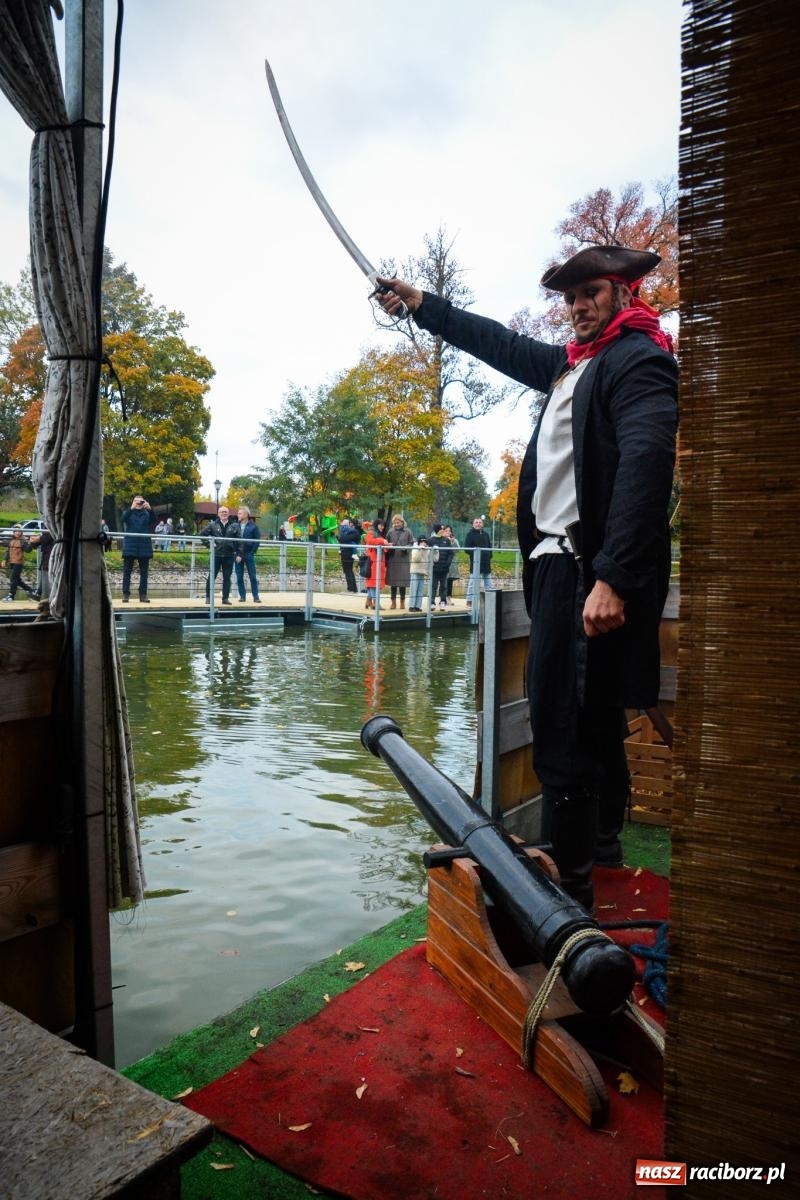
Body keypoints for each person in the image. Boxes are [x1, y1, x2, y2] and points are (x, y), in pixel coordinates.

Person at [375, 245, 678, 909]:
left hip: (586, 575)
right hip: (557, 574)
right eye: (569, 297)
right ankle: (599, 860)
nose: (577, 307)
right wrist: (425, 306)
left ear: (625, 292)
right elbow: (498, 342)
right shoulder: (571, 365)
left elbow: (647, 469)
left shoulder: (640, 359)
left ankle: (570, 898)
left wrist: (614, 577)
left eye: (590, 291)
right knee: (592, 723)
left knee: (563, 732)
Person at [201, 505, 241, 605]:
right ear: (218, 514)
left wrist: (239, 553)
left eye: (226, 512)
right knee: (212, 576)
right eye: (222, 512)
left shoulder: (234, 525)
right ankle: (208, 597)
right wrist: (209, 544)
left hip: (229, 555)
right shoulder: (213, 525)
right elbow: (202, 535)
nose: (224, 514)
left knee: (227, 577)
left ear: (228, 514)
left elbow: (240, 541)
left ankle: (225, 598)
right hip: (216, 554)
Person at [120, 494, 154, 603]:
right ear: (133, 502)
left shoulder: (147, 513)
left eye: (141, 501)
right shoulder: (128, 512)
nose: (139, 504)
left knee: (144, 572)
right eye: (136, 501)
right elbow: (123, 519)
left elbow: (153, 520)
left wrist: (150, 509)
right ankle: (125, 594)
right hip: (130, 544)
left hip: (144, 544)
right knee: (127, 571)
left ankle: (143, 595)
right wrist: (131, 508)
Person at [464, 517, 494, 607]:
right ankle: (469, 600)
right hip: (476, 562)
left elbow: (489, 546)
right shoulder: (470, 535)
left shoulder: (486, 534)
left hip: (486, 562)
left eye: (480, 522)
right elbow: (466, 548)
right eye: (476, 522)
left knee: (488, 583)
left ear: (482, 524)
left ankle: (490, 600)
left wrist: (489, 555)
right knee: (473, 582)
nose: (478, 524)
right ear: (473, 524)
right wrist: (475, 554)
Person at [385, 514, 413, 609]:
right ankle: (393, 602)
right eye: (395, 523)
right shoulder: (390, 531)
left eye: (398, 522)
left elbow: (411, 543)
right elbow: (386, 543)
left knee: (402, 582)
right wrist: (389, 546)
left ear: (402, 522)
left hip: (403, 559)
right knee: (393, 582)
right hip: (393, 559)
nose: (396, 524)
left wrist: (406, 548)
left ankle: (402, 602)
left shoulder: (408, 531)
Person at [2, 525, 36, 601]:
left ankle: (11, 595)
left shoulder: (22, 541)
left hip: (18, 562)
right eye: (16, 531)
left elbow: (28, 550)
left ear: (21, 533)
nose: (17, 533)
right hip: (12, 562)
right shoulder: (11, 541)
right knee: (17, 580)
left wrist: (31, 543)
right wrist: (4, 560)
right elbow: (7, 551)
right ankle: (30, 590)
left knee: (13, 579)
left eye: (19, 531)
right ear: (13, 532)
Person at [235, 506, 261, 602]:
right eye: (238, 513)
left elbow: (257, 541)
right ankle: (242, 596)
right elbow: (232, 542)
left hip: (248, 554)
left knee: (253, 576)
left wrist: (251, 553)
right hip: (238, 555)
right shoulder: (235, 526)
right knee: (239, 577)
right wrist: (236, 554)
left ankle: (256, 597)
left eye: (240, 513)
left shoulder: (253, 526)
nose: (238, 515)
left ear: (246, 515)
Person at [363, 517, 389, 610]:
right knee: (374, 582)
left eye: (383, 526)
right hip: (373, 562)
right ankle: (375, 603)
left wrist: (387, 545)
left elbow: (380, 545)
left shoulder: (378, 534)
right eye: (381, 525)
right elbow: (370, 541)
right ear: (377, 525)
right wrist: (383, 542)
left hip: (378, 562)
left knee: (373, 582)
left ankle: (368, 601)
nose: (382, 527)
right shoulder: (371, 533)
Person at [429, 524, 453, 611]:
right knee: (433, 586)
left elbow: (451, 553)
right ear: (437, 530)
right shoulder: (431, 540)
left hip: (444, 568)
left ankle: (443, 602)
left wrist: (448, 563)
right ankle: (431, 602)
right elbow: (428, 554)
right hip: (434, 568)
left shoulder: (446, 540)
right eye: (441, 529)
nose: (443, 530)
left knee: (443, 586)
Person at [409, 535, 436, 611]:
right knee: (414, 589)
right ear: (419, 542)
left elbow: (434, 559)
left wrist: (435, 551)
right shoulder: (415, 548)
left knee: (420, 590)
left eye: (424, 541)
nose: (423, 543)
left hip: (423, 571)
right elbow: (415, 559)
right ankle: (412, 606)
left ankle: (417, 606)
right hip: (415, 571)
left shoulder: (427, 549)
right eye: (421, 541)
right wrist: (420, 549)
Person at [337, 517, 361, 593]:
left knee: (347, 570)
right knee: (349, 570)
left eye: (349, 523)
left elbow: (341, 538)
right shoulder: (353, 531)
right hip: (347, 552)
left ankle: (350, 589)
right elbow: (342, 538)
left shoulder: (354, 532)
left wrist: (341, 535)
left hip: (348, 552)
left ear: (352, 524)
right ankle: (353, 589)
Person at [442, 524, 461, 605]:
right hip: (443, 563)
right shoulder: (440, 539)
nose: (448, 532)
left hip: (452, 564)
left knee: (449, 581)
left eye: (449, 531)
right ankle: (442, 598)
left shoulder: (454, 540)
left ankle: (448, 598)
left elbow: (457, 550)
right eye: (446, 531)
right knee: (443, 581)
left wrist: (452, 542)